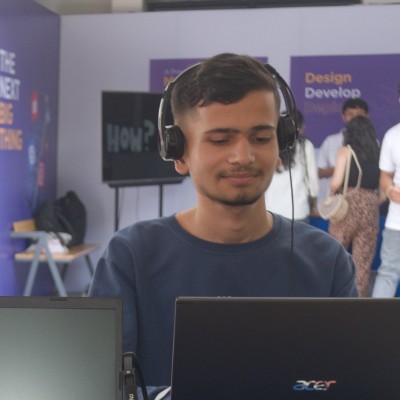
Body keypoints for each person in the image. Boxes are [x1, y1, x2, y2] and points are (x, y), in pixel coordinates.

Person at [89, 53, 358, 393]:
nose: (243, 156)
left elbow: (350, 384)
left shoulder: (327, 260)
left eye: (261, 138)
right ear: (178, 151)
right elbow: (101, 388)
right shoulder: (130, 257)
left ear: (281, 143)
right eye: (220, 140)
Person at [328, 116, 380, 297]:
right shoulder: (378, 152)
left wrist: (330, 196)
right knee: (363, 262)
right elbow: (382, 189)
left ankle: (334, 298)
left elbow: (336, 183)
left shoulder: (345, 151)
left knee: (336, 254)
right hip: (370, 205)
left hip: (347, 204)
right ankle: (359, 302)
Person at [265, 110, 319, 223]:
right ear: (299, 128)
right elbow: (312, 179)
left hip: (271, 210)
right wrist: (313, 202)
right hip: (298, 210)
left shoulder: (268, 144)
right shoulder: (305, 145)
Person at [372, 83, 400, 297]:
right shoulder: (392, 136)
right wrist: (390, 190)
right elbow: (385, 176)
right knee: (388, 272)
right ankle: (375, 319)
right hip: (396, 222)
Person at [317, 98, 369, 198]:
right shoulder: (330, 141)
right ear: (343, 117)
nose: (355, 119)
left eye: (359, 115)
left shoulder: (374, 143)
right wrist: (341, 169)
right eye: (350, 115)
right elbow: (320, 173)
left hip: (364, 199)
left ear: (367, 116)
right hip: (337, 200)